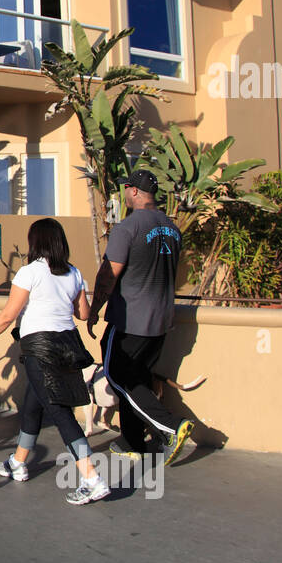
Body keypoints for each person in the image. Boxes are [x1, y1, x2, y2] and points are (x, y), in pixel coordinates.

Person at [0, 219, 109, 505]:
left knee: (59, 412)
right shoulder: (74, 273)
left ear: (36, 243)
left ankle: (92, 479)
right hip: (68, 346)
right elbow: (82, 314)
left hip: (40, 348)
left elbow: (8, 315)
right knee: (33, 405)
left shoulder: (28, 273)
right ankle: (18, 462)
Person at [87, 169, 193, 467]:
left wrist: (95, 309)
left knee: (118, 375)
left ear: (133, 191)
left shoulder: (128, 227)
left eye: (126, 189)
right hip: (161, 321)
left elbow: (109, 272)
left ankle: (171, 426)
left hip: (130, 320)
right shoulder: (172, 229)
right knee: (139, 378)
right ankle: (131, 440)